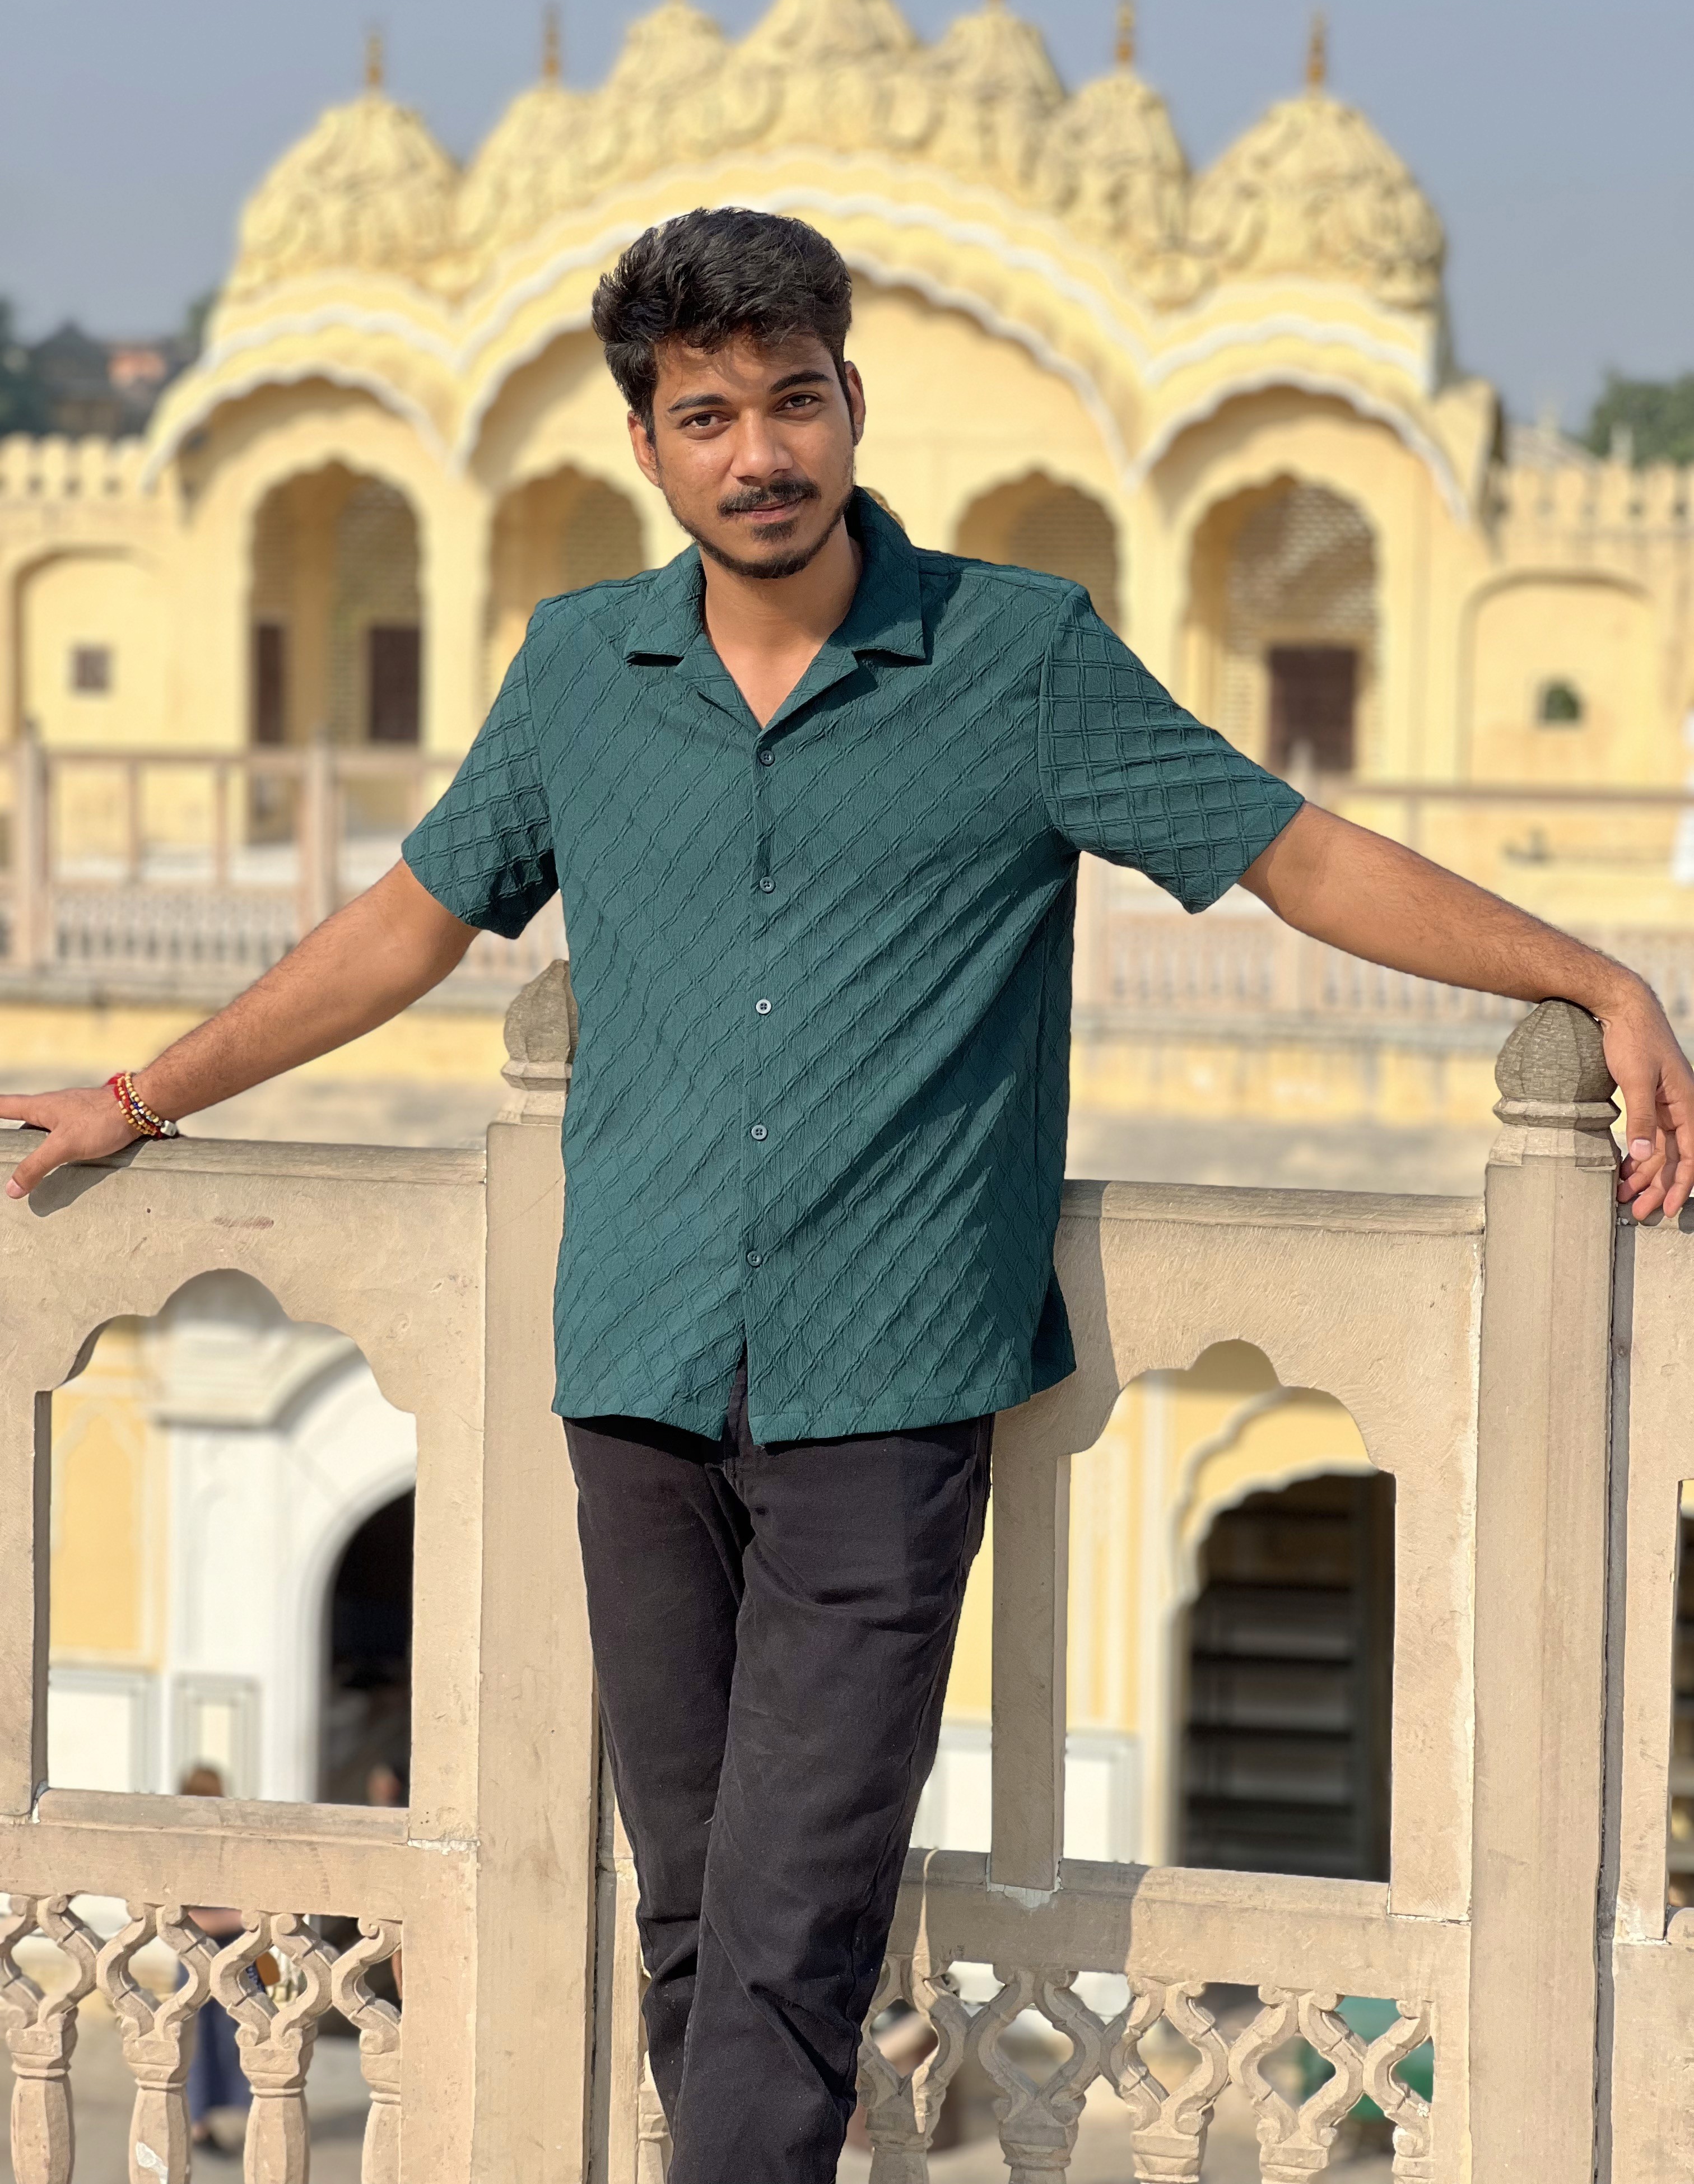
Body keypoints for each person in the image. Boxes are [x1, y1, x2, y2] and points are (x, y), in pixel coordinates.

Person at [4, 207, 1692, 2183]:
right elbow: (403, 926)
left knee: (789, 1939)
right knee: (697, 1921)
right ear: (646, 444)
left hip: (883, 1392)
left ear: (850, 400)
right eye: (706, 414)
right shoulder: (582, 673)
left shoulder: (1016, 655)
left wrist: (1585, 974)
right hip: (633, 1369)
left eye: (793, 399)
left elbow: (1286, 852)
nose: (760, 452)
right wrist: (139, 1092)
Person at [176, 1764, 254, 2157]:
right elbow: (185, 1918)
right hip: (199, 1958)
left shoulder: (220, 1844)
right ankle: (198, 2127)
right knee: (198, 2043)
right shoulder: (188, 1848)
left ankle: (228, 2116)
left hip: (230, 1957)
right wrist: (240, 1918)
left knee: (234, 2037)